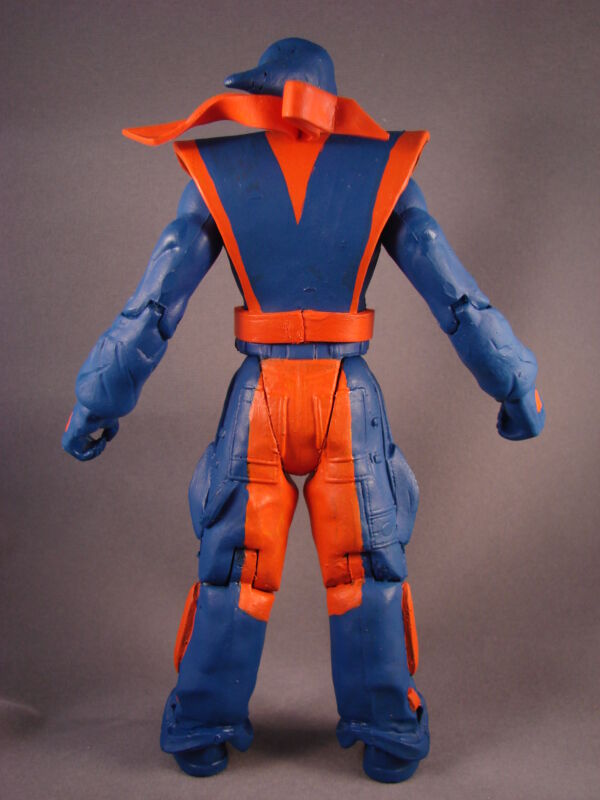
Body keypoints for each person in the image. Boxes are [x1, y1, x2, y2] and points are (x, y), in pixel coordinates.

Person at [63, 37, 545, 783]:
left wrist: (96, 400)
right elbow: (450, 288)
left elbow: (157, 300)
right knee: (366, 568)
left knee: (235, 568)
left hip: (260, 398)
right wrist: (513, 382)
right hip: (345, 398)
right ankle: (386, 731)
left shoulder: (220, 172)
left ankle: (202, 727)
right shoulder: (381, 168)